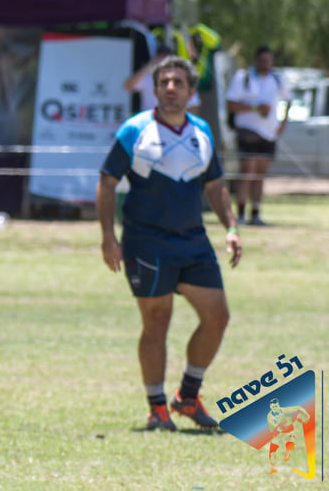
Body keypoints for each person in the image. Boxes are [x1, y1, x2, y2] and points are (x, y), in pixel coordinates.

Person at [97, 55, 240, 432]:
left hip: (193, 240)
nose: (171, 88)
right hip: (146, 241)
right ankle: (157, 406)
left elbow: (214, 184)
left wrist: (231, 227)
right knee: (156, 322)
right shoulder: (135, 130)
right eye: (164, 82)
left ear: (192, 91)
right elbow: (107, 182)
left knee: (217, 317)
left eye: (179, 82)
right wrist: (108, 237)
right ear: (156, 88)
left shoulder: (202, 131)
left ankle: (187, 397)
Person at [226, 46, 286, 227]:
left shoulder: (277, 79)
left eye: (269, 60)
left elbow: (287, 101)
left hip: (268, 133)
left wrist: (282, 124)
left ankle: (256, 213)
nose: (266, 64)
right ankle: (241, 214)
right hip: (248, 131)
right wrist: (254, 108)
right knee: (247, 173)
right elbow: (230, 104)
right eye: (262, 60)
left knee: (260, 175)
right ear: (256, 60)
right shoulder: (243, 77)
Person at [124, 49, 203, 114]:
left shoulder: (182, 79)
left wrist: (177, 120)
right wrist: (147, 67)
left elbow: (194, 106)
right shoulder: (147, 77)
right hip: (151, 124)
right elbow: (128, 86)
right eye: (160, 58)